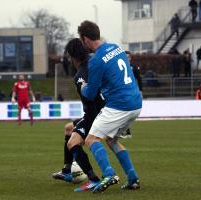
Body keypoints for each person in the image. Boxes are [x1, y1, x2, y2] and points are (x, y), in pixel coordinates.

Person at [78, 20, 142, 193]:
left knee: (91, 140)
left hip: (119, 105)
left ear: (84, 39)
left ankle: (109, 173)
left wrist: (83, 86)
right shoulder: (117, 47)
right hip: (136, 103)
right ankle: (133, 178)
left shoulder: (96, 60)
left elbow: (90, 94)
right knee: (111, 139)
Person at [52, 38, 104, 192]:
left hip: (96, 115)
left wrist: (90, 127)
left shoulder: (80, 75)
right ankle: (67, 170)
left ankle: (94, 179)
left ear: (73, 57)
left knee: (72, 143)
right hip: (106, 110)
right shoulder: (95, 61)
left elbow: (90, 105)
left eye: (69, 56)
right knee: (69, 128)